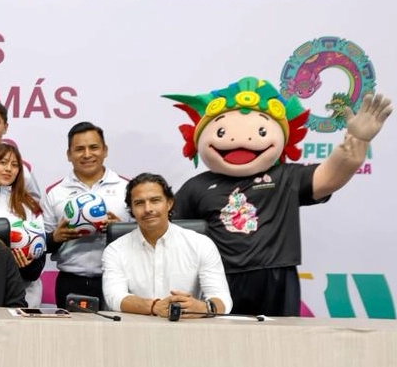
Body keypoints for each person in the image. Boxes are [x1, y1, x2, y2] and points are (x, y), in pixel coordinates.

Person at [166, 76, 392, 316]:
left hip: (276, 276)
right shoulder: (196, 186)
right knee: (223, 344)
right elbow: (171, 233)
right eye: (222, 131)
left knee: (282, 343)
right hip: (219, 279)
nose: (240, 139)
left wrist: (357, 140)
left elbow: (330, 177)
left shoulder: (286, 177)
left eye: (261, 130)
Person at [102, 173, 232, 317]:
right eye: (139, 203)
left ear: (169, 203)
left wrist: (204, 308)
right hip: (136, 330)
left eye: (155, 200)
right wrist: (154, 307)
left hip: (188, 329)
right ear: (131, 209)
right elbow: (114, 298)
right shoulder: (115, 250)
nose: (148, 209)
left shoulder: (201, 244)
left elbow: (223, 299)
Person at [42, 121, 129, 308]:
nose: (87, 154)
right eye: (79, 149)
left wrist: (119, 229)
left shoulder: (127, 189)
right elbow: (42, 244)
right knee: (69, 337)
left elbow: (145, 236)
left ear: (105, 150)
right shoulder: (55, 192)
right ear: (69, 154)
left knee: (116, 336)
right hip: (70, 281)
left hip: (117, 280)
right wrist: (56, 237)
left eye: (94, 147)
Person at [0, 142, 47, 306]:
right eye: (2, 162)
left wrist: (29, 264)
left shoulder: (30, 206)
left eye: (15, 165)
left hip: (24, 291)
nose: (9, 169)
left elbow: (40, 252)